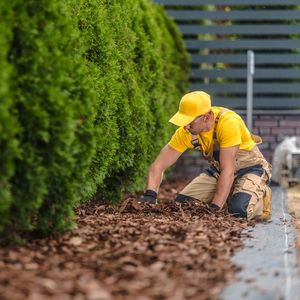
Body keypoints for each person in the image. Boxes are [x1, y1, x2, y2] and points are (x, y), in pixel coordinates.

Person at [139, 91, 272, 221]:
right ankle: (233, 193)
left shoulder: (228, 123)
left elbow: (228, 170)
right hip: (220, 170)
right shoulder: (186, 132)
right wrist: (150, 195)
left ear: (206, 117)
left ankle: (261, 197)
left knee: (238, 212)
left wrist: (214, 209)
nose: (185, 126)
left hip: (250, 168)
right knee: (183, 205)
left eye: (189, 121)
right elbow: (158, 165)